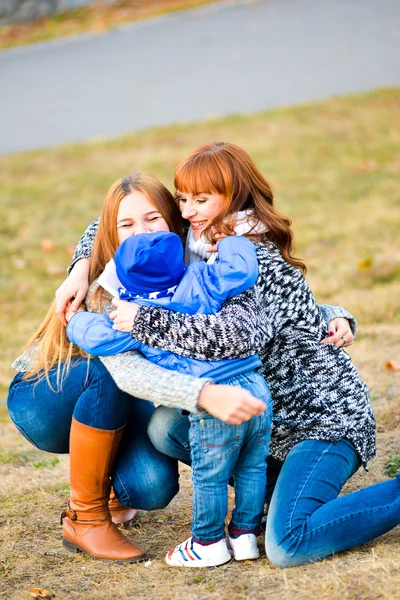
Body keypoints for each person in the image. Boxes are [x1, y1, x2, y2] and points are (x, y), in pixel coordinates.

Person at [65, 142, 400, 567]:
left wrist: (142, 320)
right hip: (260, 414)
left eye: (201, 200)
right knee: (167, 426)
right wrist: (80, 266)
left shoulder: (253, 256)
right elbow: (114, 221)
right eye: (182, 200)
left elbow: (239, 335)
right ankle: (266, 495)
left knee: (287, 545)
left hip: (321, 418)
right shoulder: (196, 238)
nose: (186, 211)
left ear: (235, 197)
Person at [7, 173, 267, 564]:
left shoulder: (192, 260)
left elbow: (256, 297)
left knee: (152, 488)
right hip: (48, 397)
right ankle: (86, 517)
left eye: (153, 220)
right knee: (107, 373)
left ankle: (107, 478)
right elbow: (128, 373)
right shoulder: (106, 286)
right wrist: (204, 394)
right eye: (125, 226)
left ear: (177, 222)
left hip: (127, 401)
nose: (140, 233)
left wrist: (332, 316)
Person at [66, 230, 273, 567]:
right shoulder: (204, 279)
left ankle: (208, 542)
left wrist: (75, 321)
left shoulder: (133, 317)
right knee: (252, 466)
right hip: (254, 383)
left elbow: (95, 336)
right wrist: (232, 241)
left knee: (211, 475)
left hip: (214, 397)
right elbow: (241, 269)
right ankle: (244, 535)